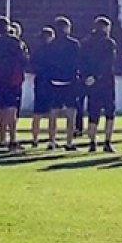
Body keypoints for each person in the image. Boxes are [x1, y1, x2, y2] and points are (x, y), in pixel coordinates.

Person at [0, 17, 27, 149]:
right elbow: (23, 60)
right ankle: (11, 139)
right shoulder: (15, 42)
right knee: (11, 108)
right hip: (11, 80)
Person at [43, 16, 82, 151]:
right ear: (66, 28)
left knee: (53, 112)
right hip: (70, 81)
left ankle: (51, 141)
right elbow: (78, 62)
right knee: (71, 112)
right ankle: (69, 142)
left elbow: (47, 63)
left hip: (54, 81)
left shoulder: (51, 45)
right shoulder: (74, 44)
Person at [80, 16, 118, 153]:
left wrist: (87, 77)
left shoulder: (86, 42)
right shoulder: (109, 43)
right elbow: (108, 63)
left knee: (93, 112)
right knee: (109, 113)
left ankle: (92, 142)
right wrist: (97, 76)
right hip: (106, 81)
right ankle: (107, 142)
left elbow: (81, 62)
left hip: (91, 82)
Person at [29, 27, 55, 147]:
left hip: (39, 82)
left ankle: (35, 139)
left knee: (37, 113)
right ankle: (51, 140)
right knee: (52, 113)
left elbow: (32, 65)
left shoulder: (37, 51)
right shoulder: (53, 51)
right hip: (50, 82)